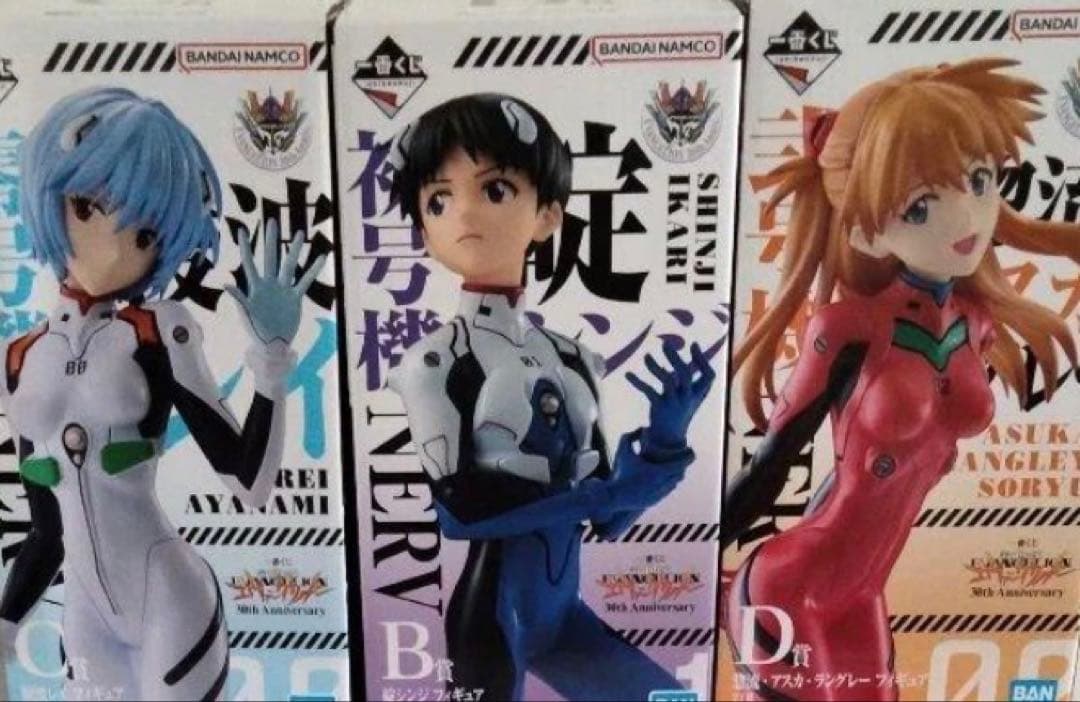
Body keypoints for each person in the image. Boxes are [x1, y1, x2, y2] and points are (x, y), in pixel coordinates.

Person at [721, 58, 1080, 701]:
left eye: (978, 180)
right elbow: (775, 459)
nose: (965, 218)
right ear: (865, 231)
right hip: (787, 586)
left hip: (861, 592)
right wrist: (687, 548)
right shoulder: (846, 329)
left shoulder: (974, 322)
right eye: (920, 205)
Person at [0, 87, 325, 701]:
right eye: (89, 207)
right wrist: (7, 622)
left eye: (144, 233)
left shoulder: (157, 330)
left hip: (169, 598)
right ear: (50, 197)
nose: (113, 248)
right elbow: (46, 531)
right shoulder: (19, 357)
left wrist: (271, 363)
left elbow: (249, 482)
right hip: (84, 611)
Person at [387, 92, 715, 701]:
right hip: (492, 620)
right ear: (425, 231)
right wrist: (604, 493)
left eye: (495, 189)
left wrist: (665, 442)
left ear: (547, 215)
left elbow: (611, 520)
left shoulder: (574, 358)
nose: (464, 212)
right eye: (439, 199)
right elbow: (459, 516)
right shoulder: (436, 362)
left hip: (563, 615)